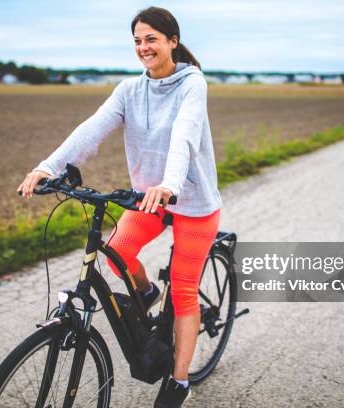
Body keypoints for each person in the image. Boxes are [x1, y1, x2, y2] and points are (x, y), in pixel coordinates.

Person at [17, 6, 221, 407]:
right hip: (147, 197)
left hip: (191, 200)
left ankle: (179, 381)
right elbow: (92, 127)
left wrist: (170, 183)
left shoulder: (192, 83)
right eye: (138, 41)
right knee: (117, 253)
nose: (144, 47)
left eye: (152, 39)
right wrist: (48, 167)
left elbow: (185, 133)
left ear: (172, 42)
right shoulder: (129, 89)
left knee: (182, 291)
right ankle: (145, 294)